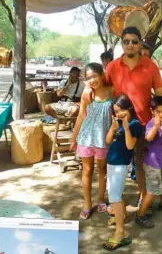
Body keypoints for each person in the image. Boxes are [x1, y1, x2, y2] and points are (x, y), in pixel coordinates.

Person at [104, 26, 162, 211]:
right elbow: (106, 91)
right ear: (122, 44)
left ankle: (142, 198)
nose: (130, 45)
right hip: (119, 125)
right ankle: (116, 202)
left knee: (140, 165)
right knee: (118, 164)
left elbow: (160, 93)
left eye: (134, 41)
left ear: (140, 44)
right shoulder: (113, 67)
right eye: (126, 41)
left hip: (143, 125)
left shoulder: (150, 66)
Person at [70, 63, 112, 219]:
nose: (92, 80)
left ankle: (101, 200)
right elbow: (81, 116)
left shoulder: (111, 92)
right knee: (87, 171)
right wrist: (73, 137)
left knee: (102, 171)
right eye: (88, 78)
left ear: (102, 74)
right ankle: (87, 204)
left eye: (94, 75)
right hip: (86, 138)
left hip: (103, 139)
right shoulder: (86, 95)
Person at [103, 94, 142, 251]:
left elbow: (130, 146)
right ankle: (122, 215)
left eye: (120, 111)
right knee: (113, 193)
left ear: (129, 108)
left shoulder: (134, 124)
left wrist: (125, 128)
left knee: (114, 197)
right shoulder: (117, 123)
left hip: (120, 165)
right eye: (116, 111)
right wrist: (112, 129)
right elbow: (107, 141)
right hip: (111, 162)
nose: (118, 114)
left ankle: (121, 232)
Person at [135, 96, 162, 228]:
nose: (161, 114)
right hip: (152, 163)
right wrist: (156, 127)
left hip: (161, 162)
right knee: (153, 190)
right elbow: (148, 138)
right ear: (152, 111)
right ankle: (140, 215)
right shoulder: (151, 123)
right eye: (158, 111)